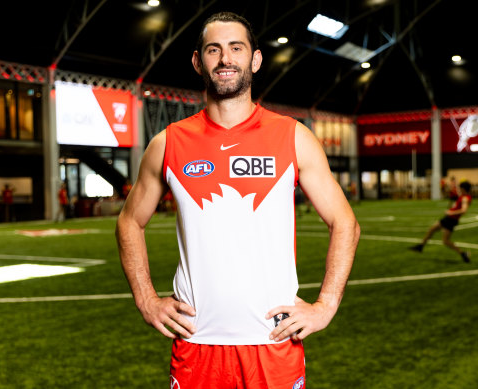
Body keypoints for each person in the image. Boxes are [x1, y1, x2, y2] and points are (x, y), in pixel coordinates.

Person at [116, 11, 360, 389]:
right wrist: (147, 300)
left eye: (236, 48)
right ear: (199, 62)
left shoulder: (293, 138)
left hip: (273, 343)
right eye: (213, 50)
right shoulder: (168, 143)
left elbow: (346, 223)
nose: (225, 59)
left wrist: (325, 306)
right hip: (197, 343)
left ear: (255, 60)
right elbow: (129, 221)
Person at [409, 180, 472, 263]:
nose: (459, 190)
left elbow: (464, 210)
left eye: (460, 188)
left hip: (451, 220)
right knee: (432, 229)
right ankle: (420, 246)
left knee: (445, 241)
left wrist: (451, 212)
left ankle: (463, 253)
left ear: (464, 189)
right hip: (449, 219)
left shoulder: (465, 198)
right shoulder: (463, 196)